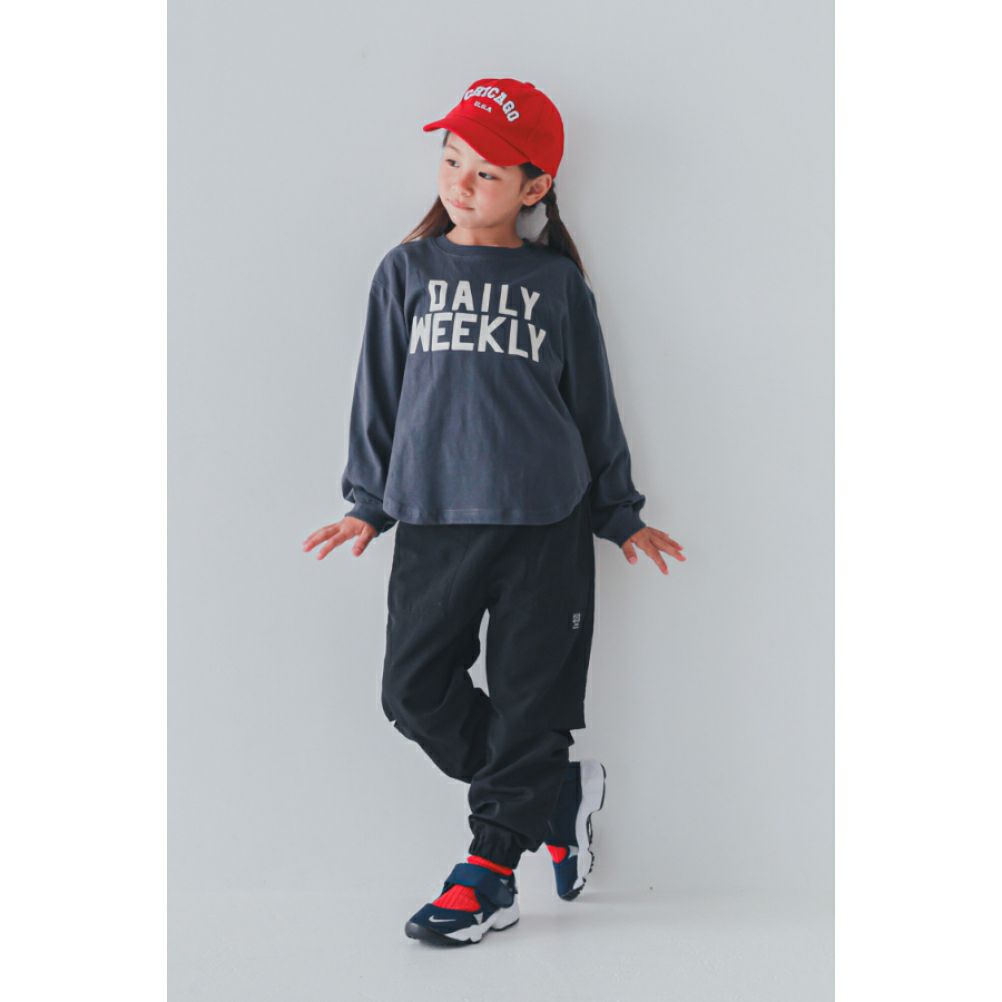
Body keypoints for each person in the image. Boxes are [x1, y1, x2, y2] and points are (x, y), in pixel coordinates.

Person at [302, 77, 686, 946]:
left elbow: (592, 405)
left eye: (486, 172)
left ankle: (490, 871)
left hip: (545, 524)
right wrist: (368, 503)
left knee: (529, 704)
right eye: (451, 161)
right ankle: (552, 793)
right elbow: (379, 394)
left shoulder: (556, 284)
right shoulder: (406, 271)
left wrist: (619, 511)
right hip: (434, 519)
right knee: (412, 693)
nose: (461, 183)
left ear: (534, 186)